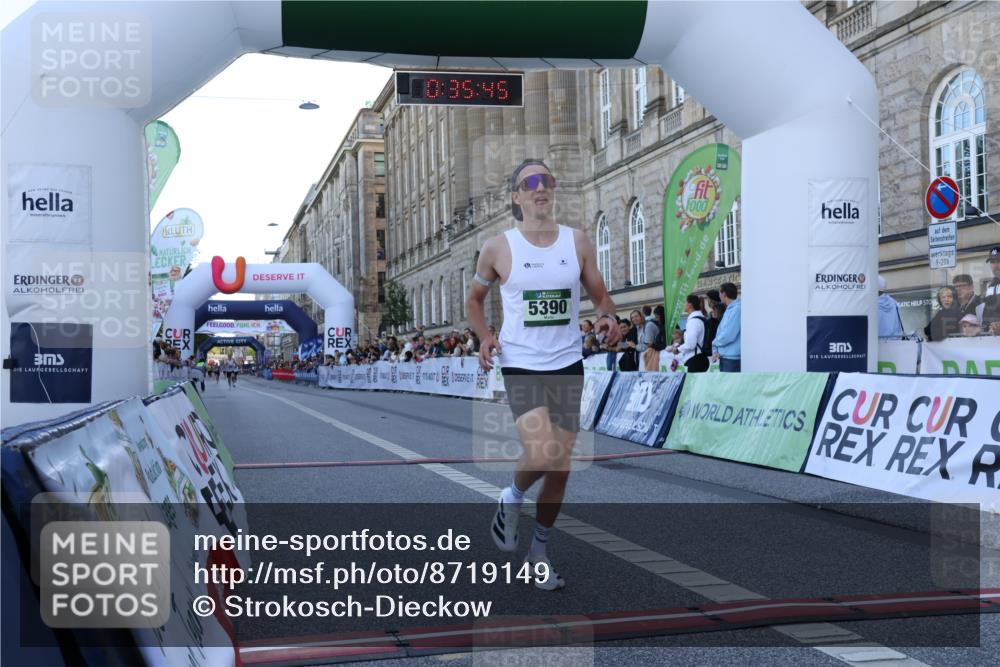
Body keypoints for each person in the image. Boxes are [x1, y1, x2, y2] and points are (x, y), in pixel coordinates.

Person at [467, 158, 621, 591]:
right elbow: (475, 301)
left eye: (547, 180)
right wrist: (483, 336)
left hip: (568, 364)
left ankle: (539, 552)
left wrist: (608, 318)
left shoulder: (578, 242)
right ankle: (510, 498)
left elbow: (601, 298)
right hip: (521, 363)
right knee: (543, 452)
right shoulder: (497, 247)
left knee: (560, 469)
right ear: (515, 196)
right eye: (530, 182)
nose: (540, 187)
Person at [671, 294, 708, 372]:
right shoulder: (699, 319)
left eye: (685, 302)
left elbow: (691, 344)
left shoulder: (693, 321)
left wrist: (677, 349)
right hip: (699, 358)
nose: (684, 305)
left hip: (695, 360)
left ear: (690, 304)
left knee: (693, 384)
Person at [711, 282, 742, 372]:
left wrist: (714, 343)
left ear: (724, 293)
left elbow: (728, 335)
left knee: (732, 386)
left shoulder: (737, 309)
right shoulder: (730, 309)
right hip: (726, 357)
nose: (719, 295)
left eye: (719, 293)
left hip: (732, 359)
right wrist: (715, 349)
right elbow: (721, 331)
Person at [977, 246, 1000, 335]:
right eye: (992, 262)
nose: (995, 265)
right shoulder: (989, 287)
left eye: (999, 260)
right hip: (989, 341)